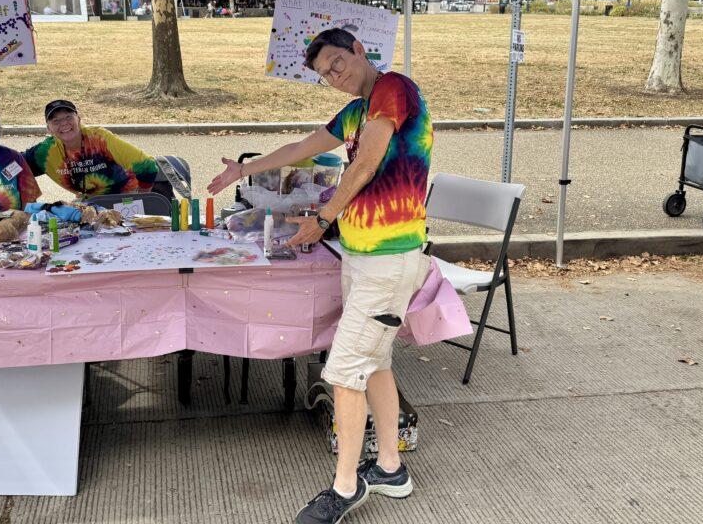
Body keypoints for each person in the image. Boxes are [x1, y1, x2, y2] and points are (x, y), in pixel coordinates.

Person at [207, 27, 433, 524]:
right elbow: (303, 146)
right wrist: (243, 172)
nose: (335, 77)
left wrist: (324, 217)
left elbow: (368, 162)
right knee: (373, 362)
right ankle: (391, 469)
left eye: (337, 64)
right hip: (360, 254)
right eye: (324, 75)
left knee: (344, 371)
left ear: (358, 49)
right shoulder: (354, 110)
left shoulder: (392, 89)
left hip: (390, 257)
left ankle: (346, 486)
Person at [24, 99, 159, 199]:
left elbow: (148, 166)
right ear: (49, 129)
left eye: (68, 117)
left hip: (127, 198)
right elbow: (12, 164)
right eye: (56, 121)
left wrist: (142, 199)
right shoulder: (45, 152)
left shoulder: (99, 138)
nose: (64, 123)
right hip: (93, 204)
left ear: (79, 119)